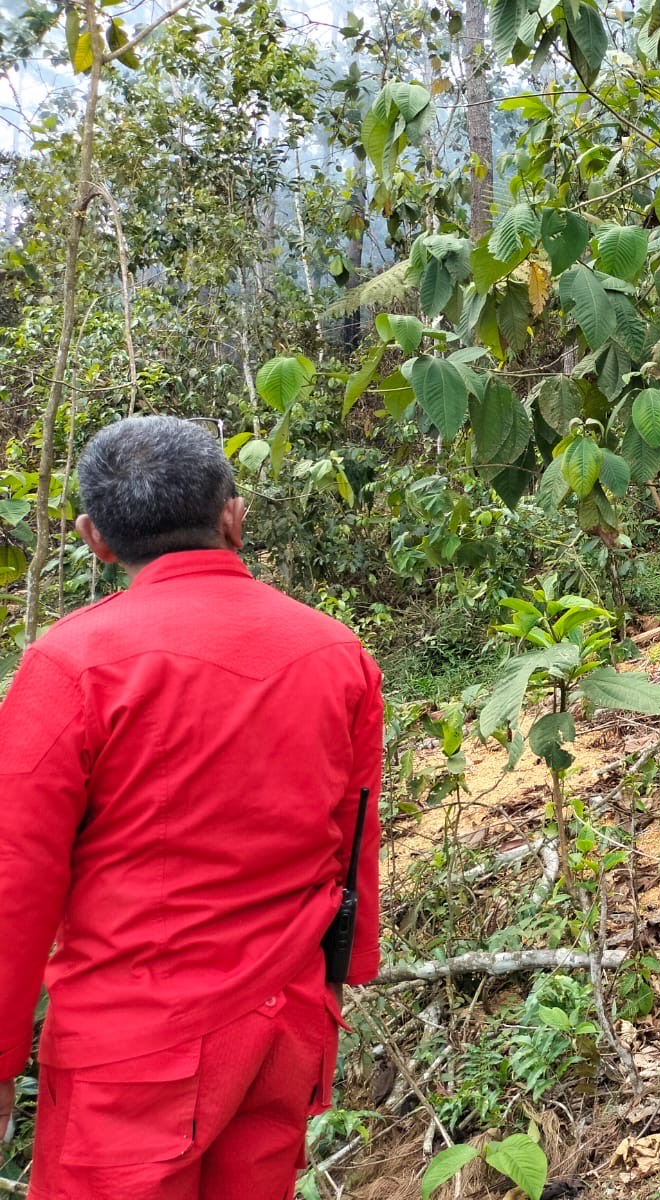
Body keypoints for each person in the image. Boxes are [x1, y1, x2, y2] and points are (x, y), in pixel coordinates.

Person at [0, 415, 383, 1199]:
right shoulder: (334, 652)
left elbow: (15, 877)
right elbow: (352, 846)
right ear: (233, 518)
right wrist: (334, 988)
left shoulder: (71, 666)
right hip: (285, 1027)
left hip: (133, 1052)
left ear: (93, 538)